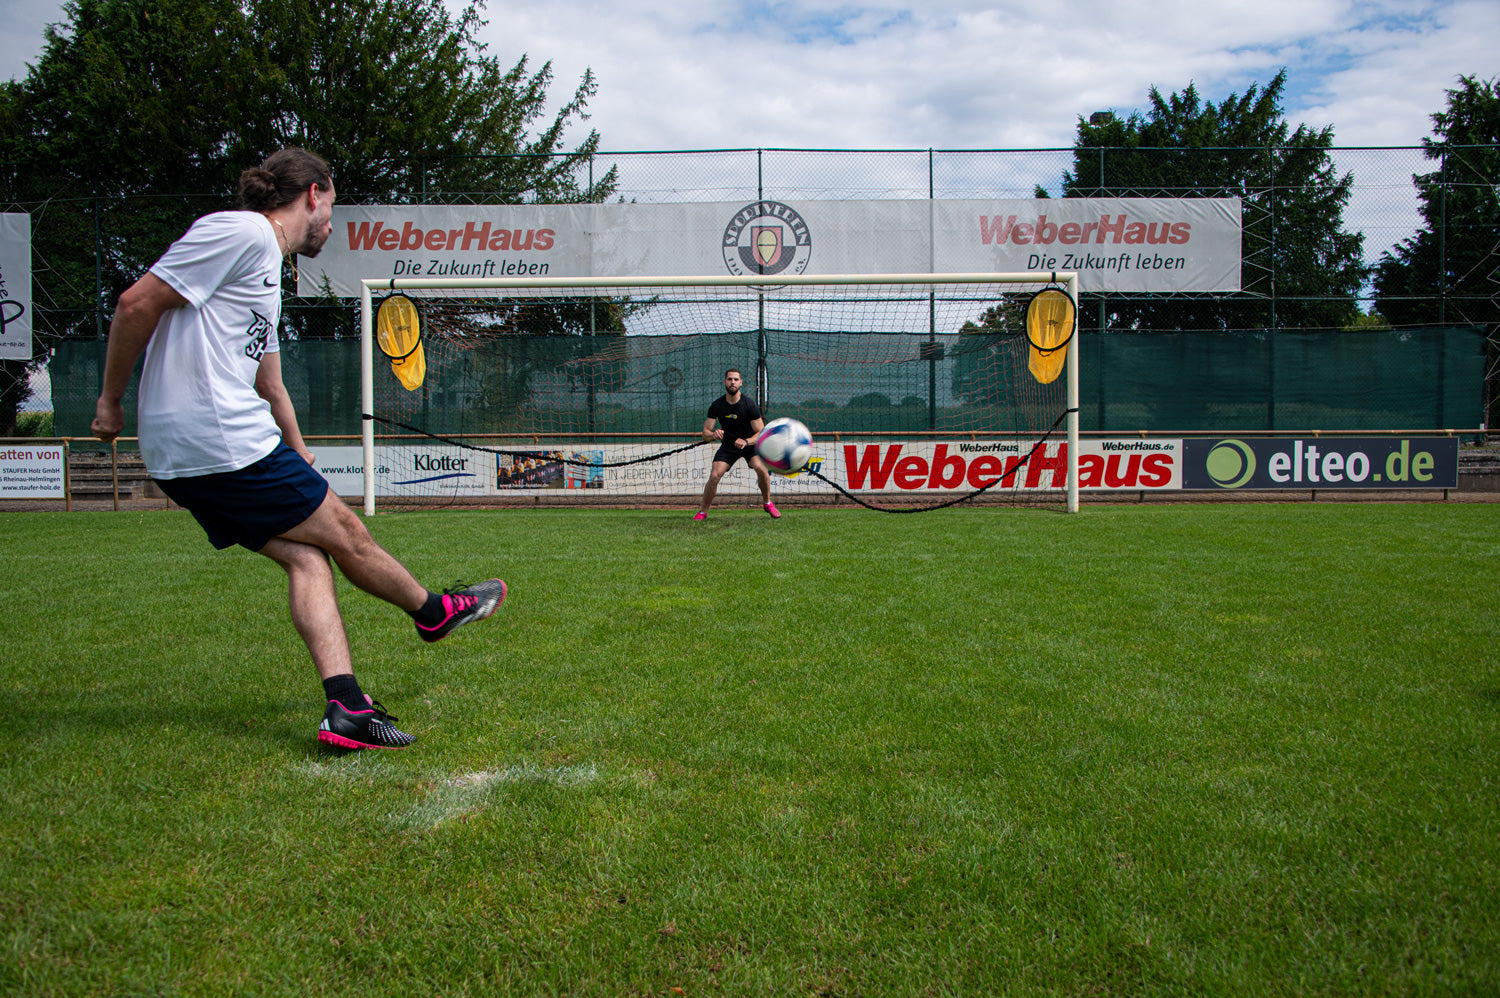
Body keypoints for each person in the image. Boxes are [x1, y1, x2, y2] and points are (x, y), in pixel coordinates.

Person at [91, 147, 505, 751]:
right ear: (313, 193)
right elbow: (135, 303)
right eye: (331, 207)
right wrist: (109, 401)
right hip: (221, 438)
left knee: (308, 558)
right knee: (347, 531)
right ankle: (433, 611)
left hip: (187, 459)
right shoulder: (245, 232)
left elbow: (270, 383)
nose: (330, 225)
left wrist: (299, 449)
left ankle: (347, 708)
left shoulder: (262, 275)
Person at [694, 367, 779, 520]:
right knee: (714, 476)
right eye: (729, 379)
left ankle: (767, 503)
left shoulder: (749, 405)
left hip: (749, 446)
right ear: (724, 382)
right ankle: (702, 512)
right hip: (728, 446)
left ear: (741, 383)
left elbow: (761, 433)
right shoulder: (717, 405)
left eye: (735, 379)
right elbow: (705, 433)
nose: (732, 382)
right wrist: (713, 434)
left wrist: (747, 441)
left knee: (761, 469)